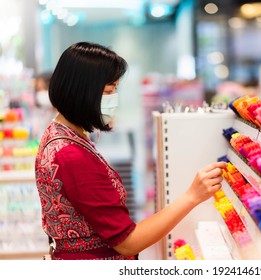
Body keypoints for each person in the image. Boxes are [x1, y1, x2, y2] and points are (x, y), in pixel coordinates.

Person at [34, 41, 227, 260]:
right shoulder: (71, 155)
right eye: (108, 91)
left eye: (115, 89)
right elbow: (128, 242)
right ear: (83, 92)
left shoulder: (59, 133)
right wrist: (192, 196)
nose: (113, 99)